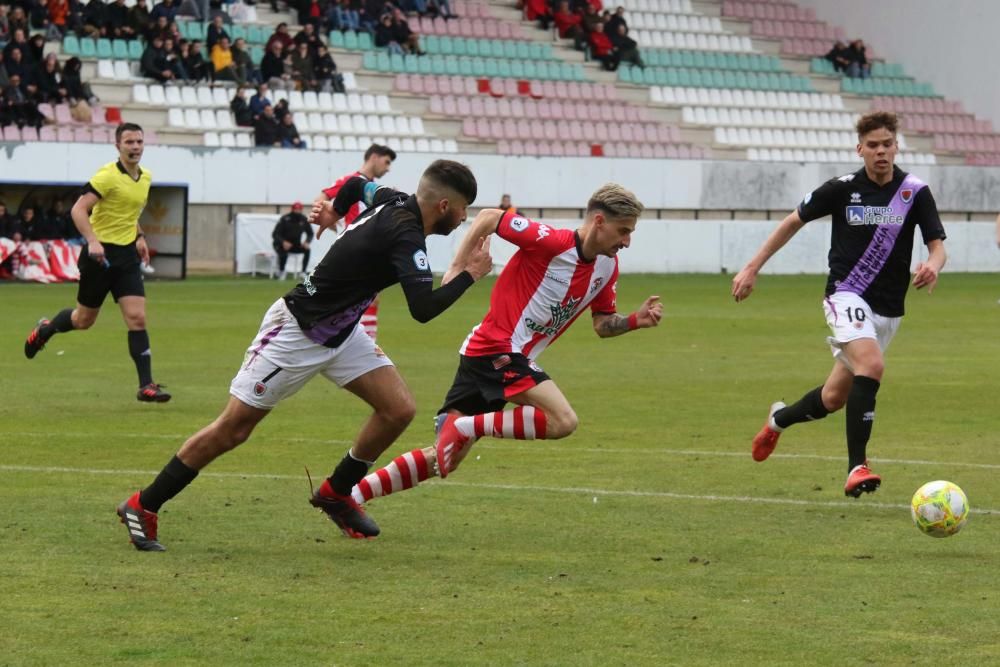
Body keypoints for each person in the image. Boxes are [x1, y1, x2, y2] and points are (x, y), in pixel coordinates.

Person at [114, 160, 491, 551]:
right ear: (445, 206)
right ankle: (143, 504)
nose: (466, 219)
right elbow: (423, 309)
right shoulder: (405, 235)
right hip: (296, 333)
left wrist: (332, 211)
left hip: (340, 332)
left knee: (397, 409)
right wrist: (470, 274)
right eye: (464, 209)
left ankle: (336, 491)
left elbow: (353, 184)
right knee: (234, 429)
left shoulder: (390, 198)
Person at [347, 184, 664, 535]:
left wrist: (635, 321)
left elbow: (603, 324)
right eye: (624, 231)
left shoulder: (607, 267)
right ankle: (467, 426)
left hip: (487, 355)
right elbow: (487, 218)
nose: (627, 242)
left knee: (442, 460)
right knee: (563, 421)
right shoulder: (552, 241)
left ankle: (350, 497)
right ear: (600, 221)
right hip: (498, 349)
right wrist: (456, 268)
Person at [730, 111, 947, 497]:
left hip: (888, 310)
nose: (881, 152)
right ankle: (856, 467)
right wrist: (751, 268)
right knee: (873, 365)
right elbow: (792, 222)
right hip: (845, 294)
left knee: (833, 398)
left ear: (897, 147)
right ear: (859, 148)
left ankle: (778, 420)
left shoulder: (914, 192)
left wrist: (932, 265)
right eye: (873, 145)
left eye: (887, 144)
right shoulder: (842, 188)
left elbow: (937, 246)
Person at [23, 123, 171, 403]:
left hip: (126, 256)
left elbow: (127, 212)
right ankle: (46, 329)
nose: (135, 146)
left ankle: (146, 386)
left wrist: (139, 236)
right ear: (118, 146)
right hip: (98, 258)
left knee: (137, 318)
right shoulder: (106, 176)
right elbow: (78, 209)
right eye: (129, 142)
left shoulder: (146, 177)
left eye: (139, 141)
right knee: (83, 320)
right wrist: (92, 241)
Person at [315, 143, 396, 340]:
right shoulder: (351, 181)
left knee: (368, 298)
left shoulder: (371, 188)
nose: (388, 168)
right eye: (386, 162)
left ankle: (360, 342)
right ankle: (364, 344)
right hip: (355, 250)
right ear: (374, 157)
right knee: (366, 296)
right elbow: (321, 200)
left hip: (365, 249)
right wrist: (338, 224)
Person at [272, 201, 312, 278]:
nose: (297, 211)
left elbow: (310, 233)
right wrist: (283, 242)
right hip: (281, 244)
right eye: (296, 209)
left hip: (295, 244)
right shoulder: (285, 219)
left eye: (299, 209)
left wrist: (307, 241)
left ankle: (303, 271)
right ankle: (282, 271)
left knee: (307, 250)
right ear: (292, 209)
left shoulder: (304, 219)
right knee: (283, 251)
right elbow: (275, 234)